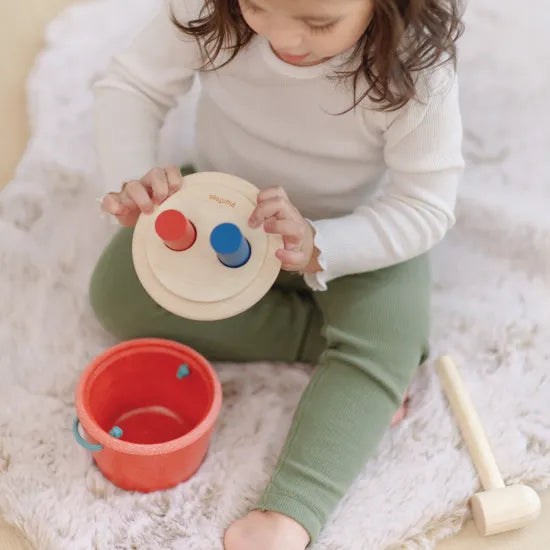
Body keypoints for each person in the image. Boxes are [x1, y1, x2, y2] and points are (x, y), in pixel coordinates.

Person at [90, 0, 465, 547]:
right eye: (258, 6)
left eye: (320, 23)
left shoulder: (417, 66)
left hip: (350, 225)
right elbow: (131, 86)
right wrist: (132, 179)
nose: (284, 38)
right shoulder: (208, 9)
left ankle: (292, 508)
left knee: (387, 331)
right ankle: (332, 345)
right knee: (118, 294)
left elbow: (424, 207)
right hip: (221, 209)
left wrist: (321, 246)